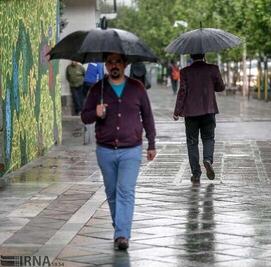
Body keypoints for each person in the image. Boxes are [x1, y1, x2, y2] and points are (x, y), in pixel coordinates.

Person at [81, 53, 156, 250]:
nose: (114, 65)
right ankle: (119, 227)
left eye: (118, 62)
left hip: (131, 149)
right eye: (110, 62)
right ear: (106, 65)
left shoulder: (137, 88)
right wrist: (95, 113)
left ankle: (122, 234)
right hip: (105, 151)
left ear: (125, 64)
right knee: (112, 192)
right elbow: (84, 117)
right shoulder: (98, 89)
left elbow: (147, 116)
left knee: (126, 191)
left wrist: (152, 143)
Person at [173, 53, 225, 184]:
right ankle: (207, 160)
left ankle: (196, 173)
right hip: (208, 110)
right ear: (204, 55)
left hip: (191, 113)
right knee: (208, 138)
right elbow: (220, 87)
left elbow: (182, 92)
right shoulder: (212, 69)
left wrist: (177, 111)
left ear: (191, 56)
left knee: (192, 142)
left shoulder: (185, 72)